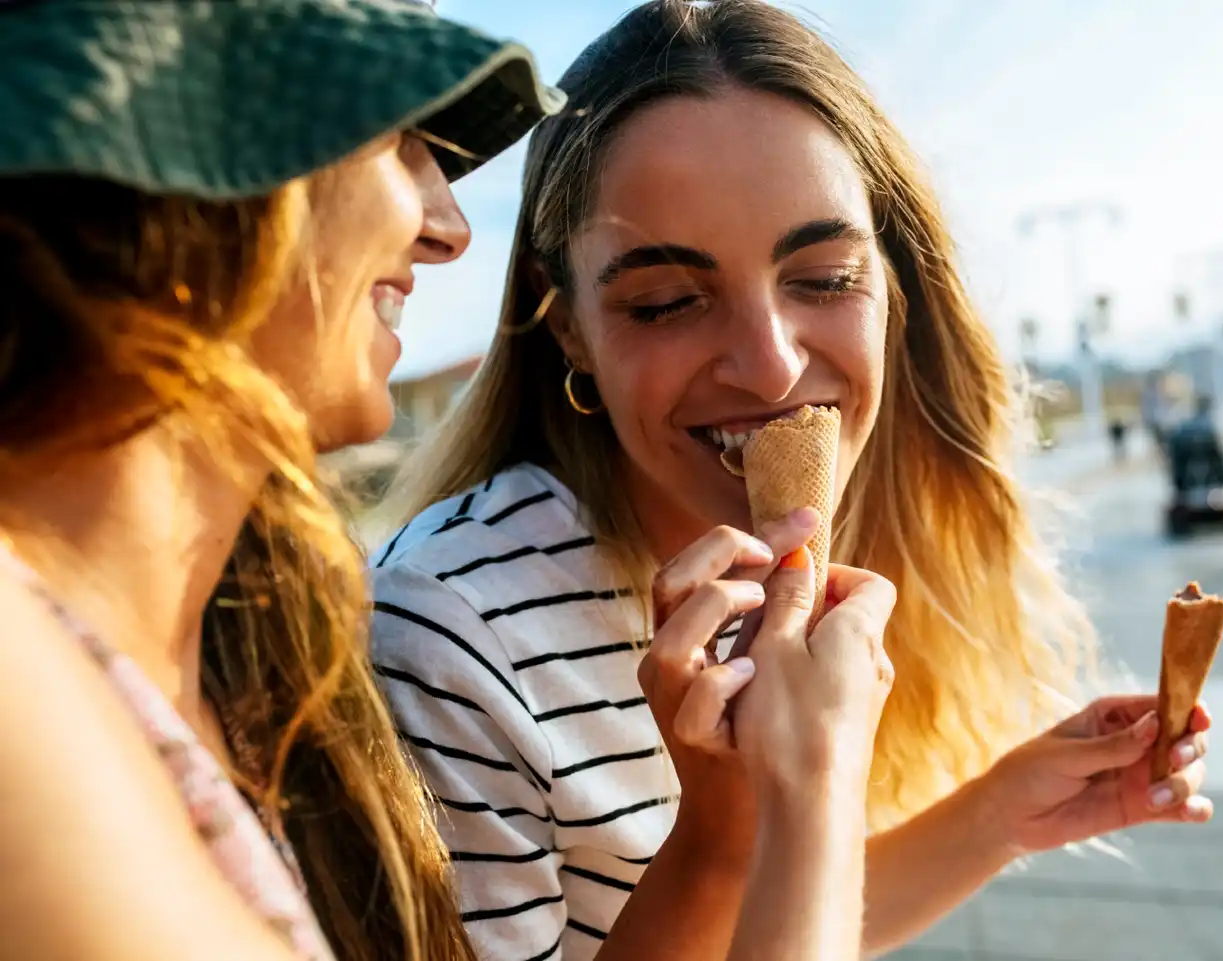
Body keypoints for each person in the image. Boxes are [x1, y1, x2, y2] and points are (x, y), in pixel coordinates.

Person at [0, 3, 896, 961]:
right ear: (180, 150)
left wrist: (732, 831)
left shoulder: (265, 645)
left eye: (828, 277)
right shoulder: (28, 704)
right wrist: (808, 800)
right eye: (395, 140)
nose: (449, 228)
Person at [371, 3, 1214, 959]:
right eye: (668, 301)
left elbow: (777, 923)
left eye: (822, 279)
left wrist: (997, 814)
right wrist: (732, 829)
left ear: (893, 289)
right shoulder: (447, 633)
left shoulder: (817, 573)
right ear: (564, 322)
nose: (770, 367)